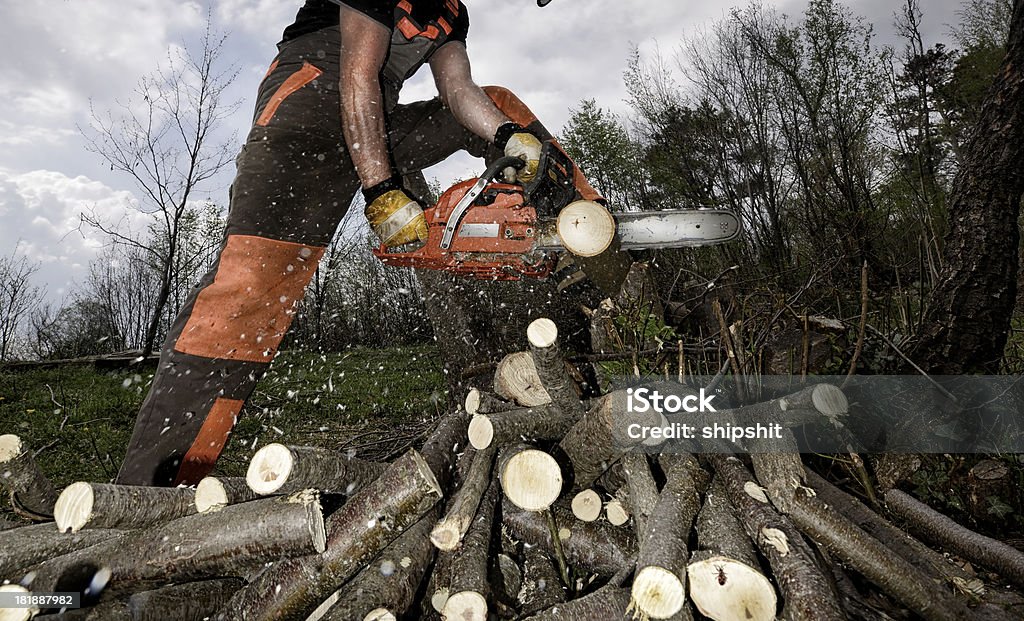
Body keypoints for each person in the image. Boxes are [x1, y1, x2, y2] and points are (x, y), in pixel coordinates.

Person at [116, 0, 603, 486]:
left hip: (376, 121)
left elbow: (457, 90)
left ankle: (584, 232)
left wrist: (506, 136)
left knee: (502, 105)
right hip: (306, 117)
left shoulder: (454, 12)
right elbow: (357, 72)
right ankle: (156, 484)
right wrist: (381, 189)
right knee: (246, 298)